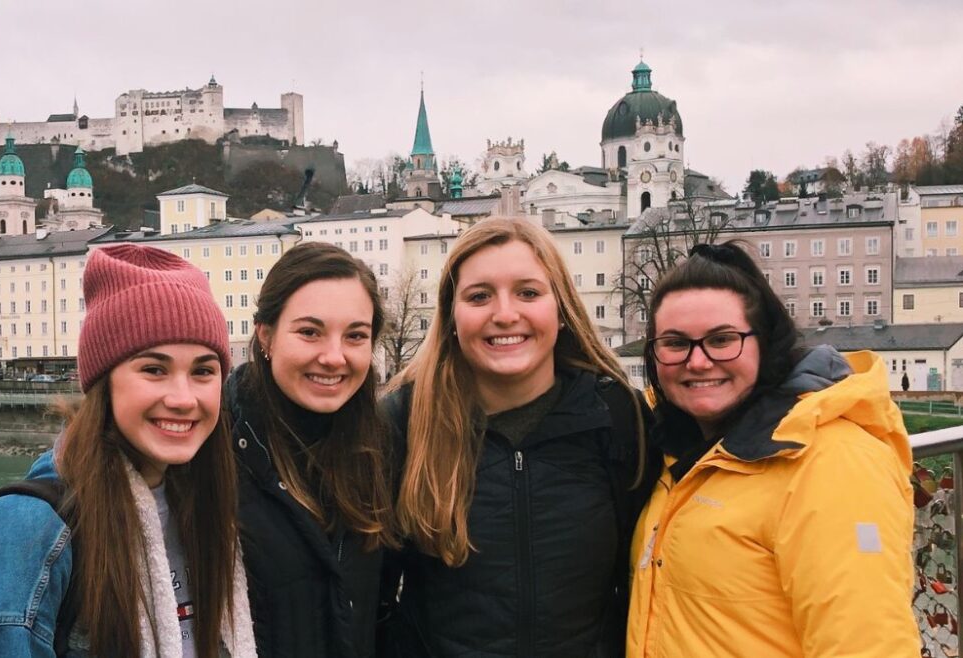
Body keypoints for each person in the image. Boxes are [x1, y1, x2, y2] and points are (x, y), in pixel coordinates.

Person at [0, 244, 256, 657]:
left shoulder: (209, 503)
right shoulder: (28, 530)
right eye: (154, 370)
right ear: (103, 382)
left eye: (203, 371)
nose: (183, 398)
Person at [628, 241, 919, 657]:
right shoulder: (679, 448)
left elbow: (866, 645)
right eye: (675, 343)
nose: (697, 361)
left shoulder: (831, 462)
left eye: (722, 339)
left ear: (764, 343)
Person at [382, 218, 653, 657]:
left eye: (528, 292)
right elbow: (369, 600)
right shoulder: (403, 422)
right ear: (451, 316)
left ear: (561, 309)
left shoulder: (617, 416)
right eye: (479, 296)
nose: (505, 314)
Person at [226, 242, 398, 657]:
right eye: (309, 332)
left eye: (355, 335)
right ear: (266, 336)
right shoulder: (216, 445)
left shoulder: (380, 446)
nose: (334, 357)